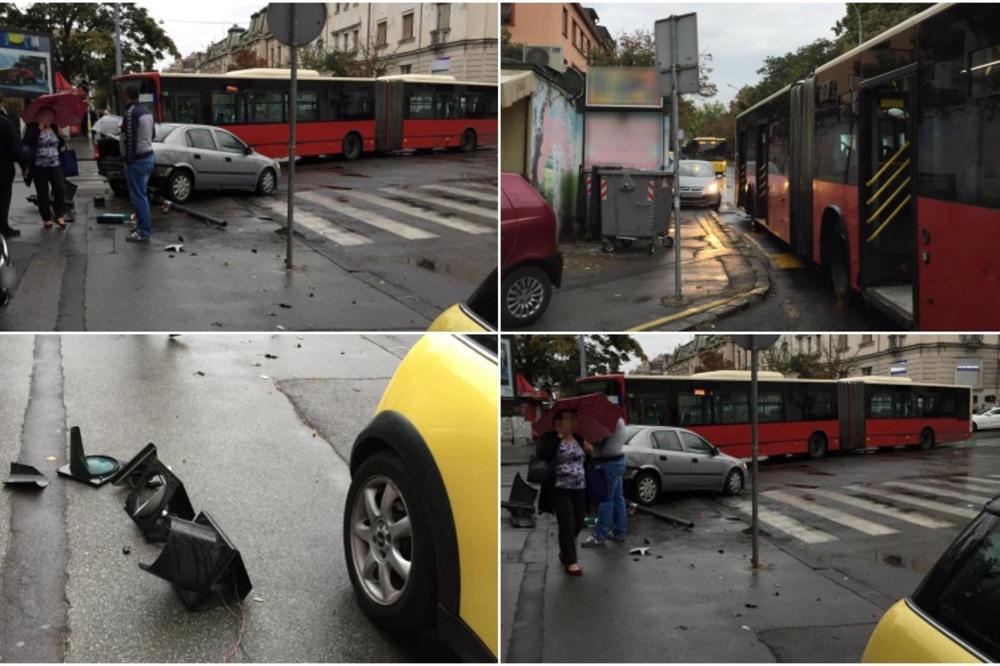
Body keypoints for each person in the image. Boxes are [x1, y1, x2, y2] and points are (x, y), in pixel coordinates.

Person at [536, 410, 593, 576]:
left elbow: (588, 456)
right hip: (559, 489)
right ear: (558, 422)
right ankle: (571, 561)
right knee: (567, 523)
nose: (572, 422)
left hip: (580, 487)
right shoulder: (550, 439)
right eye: (568, 419)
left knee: (577, 522)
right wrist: (559, 438)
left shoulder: (579, 438)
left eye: (573, 419)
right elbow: (543, 455)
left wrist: (590, 451)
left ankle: (564, 551)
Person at [582, 417, 629, 547]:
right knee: (618, 498)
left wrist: (587, 436)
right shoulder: (618, 419)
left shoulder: (610, 420)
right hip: (617, 461)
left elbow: (598, 440)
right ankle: (619, 532)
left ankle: (599, 536)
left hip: (609, 464)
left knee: (606, 499)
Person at [21, 106, 68, 229]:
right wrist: (39, 128)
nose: (50, 118)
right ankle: (46, 218)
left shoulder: (54, 127)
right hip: (39, 166)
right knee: (43, 193)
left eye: (51, 116)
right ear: (39, 116)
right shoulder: (32, 127)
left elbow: (60, 145)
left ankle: (59, 215)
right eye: (47, 115)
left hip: (55, 164)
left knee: (60, 189)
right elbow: (27, 143)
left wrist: (62, 137)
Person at [119, 85, 155, 243]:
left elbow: (131, 138)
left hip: (137, 160)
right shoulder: (146, 112)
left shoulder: (130, 113)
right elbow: (153, 134)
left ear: (127, 96)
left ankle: (143, 231)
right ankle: (141, 226)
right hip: (149, 157)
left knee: (139, 197)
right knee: (142, 195)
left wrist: (129, 160)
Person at [0, 93, 24, 239]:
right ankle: (3, 228)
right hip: (3, 167)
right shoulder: (4, 122)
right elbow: (16, 147)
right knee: (3, 198)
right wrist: (24, 165)